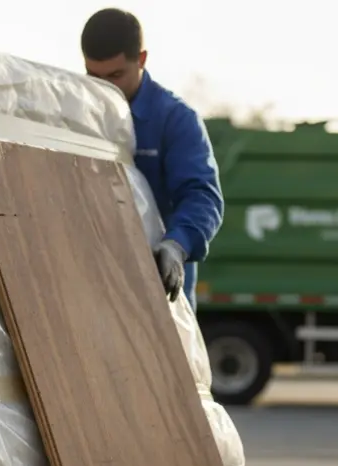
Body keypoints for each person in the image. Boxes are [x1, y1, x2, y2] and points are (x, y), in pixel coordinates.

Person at [81, 8, 225, 307]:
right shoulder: (77, 114)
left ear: (142, 60)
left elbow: (202, 197)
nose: (105, 87)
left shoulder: (175, 120)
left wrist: (176, 245)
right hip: (92, 283)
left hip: (159, 289)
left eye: (115, 75)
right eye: (93, 76)